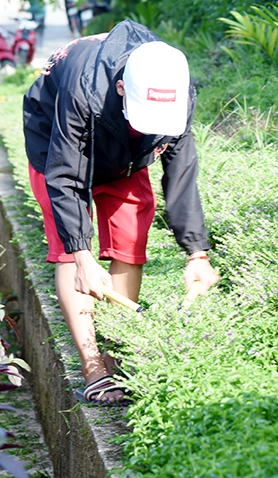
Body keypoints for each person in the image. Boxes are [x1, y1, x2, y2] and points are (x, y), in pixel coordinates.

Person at [22, 21, 219, 404]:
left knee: (131, 231)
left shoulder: (173, 85)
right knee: (70, 248)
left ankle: (118, 351)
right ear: (122, 87)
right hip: (55, 139)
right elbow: (66, 176)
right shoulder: (83, 87)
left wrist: (197, 252)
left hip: (127, 147)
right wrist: (82, 256)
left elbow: (181, 173)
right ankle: (93, 366)